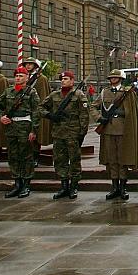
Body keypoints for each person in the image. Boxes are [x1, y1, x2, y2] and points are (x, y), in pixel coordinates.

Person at [94, 69, 138, 200]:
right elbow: (93, 106)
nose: (113, 79)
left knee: (123, 159)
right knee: (111, 159)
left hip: (123, 130)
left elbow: (133, 112)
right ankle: (114, 187)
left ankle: (123, 187)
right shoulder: (104, 92)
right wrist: (99, 118)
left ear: (120, 79)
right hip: (108, 129)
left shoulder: (128, 93)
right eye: (111, 77)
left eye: (115, 77)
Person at [39, 71, 89, 200]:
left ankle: (74, 186)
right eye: (62, 79)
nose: (63, 81)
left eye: (66, 79)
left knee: (74, 160)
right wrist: (50, 115)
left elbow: (84, 115)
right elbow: (41, 107)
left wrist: (82, 132)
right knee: (60, 160)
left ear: (72, 81)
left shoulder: (78, 95)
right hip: (58, 132)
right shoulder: (54, 95)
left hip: (73, 132)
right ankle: (64, 186)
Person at [0, 66, 40, 198]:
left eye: (21, 76)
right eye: (16, 76)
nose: (18, 78)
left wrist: (33, 130)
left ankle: (26, 184)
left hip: (25, 127)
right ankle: (17, 183)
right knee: (13, 156)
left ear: (27, 77)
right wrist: (1, 117)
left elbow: (36, 112)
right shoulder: (8, 91)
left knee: (26, 156)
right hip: (11, 127)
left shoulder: (31, 92)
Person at [22, 57, 50, 167]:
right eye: (26, 64)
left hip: (35, 109)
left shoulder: (41, 79)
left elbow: (43, 95)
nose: (28, 66)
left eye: (30, 64)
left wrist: (39, 109)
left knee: (36, 135)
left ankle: (35, 158)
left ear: (35, 66)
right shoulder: (24, 77)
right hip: (24, 110)